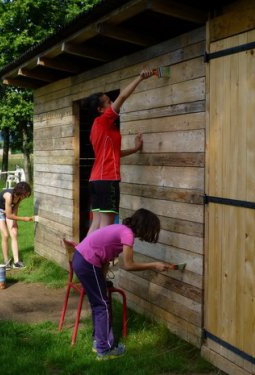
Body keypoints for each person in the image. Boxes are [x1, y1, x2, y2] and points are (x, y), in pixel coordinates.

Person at [69, 208, 172, 360]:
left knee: (100, 304)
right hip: (87, 262)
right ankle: (104, 351)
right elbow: (129, 265)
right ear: (145, 226)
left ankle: (99, 342)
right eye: (152, 229)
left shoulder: (122, 230)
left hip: (82, 259)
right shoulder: (127, 235)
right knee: (102, 305)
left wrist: (102, 282)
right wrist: (154, 265)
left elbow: (104, 258)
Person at [86, 69, 154, 235]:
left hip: (95, 180)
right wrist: (140, 77)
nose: (112, 104)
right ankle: (99, 260)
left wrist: (136, 149)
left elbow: (115, 154)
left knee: (96, 224)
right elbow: (122, 97)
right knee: (106, 228)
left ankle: (83, 257)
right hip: (107, 179)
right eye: (108, 102)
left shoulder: (98, 127)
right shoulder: (104, 120)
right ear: (101, 109)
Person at [0, 181, 34, 269]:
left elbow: (15, 209)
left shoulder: (19, 197)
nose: (25, 197)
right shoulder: (8, 196)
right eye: (25, 195)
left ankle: (16, 262)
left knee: (14, 233)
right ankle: (6, 262)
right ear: (20, 192)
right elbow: (8, 215)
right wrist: (24, 219)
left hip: (9, 211)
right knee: (5, 235)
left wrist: (15, 222)